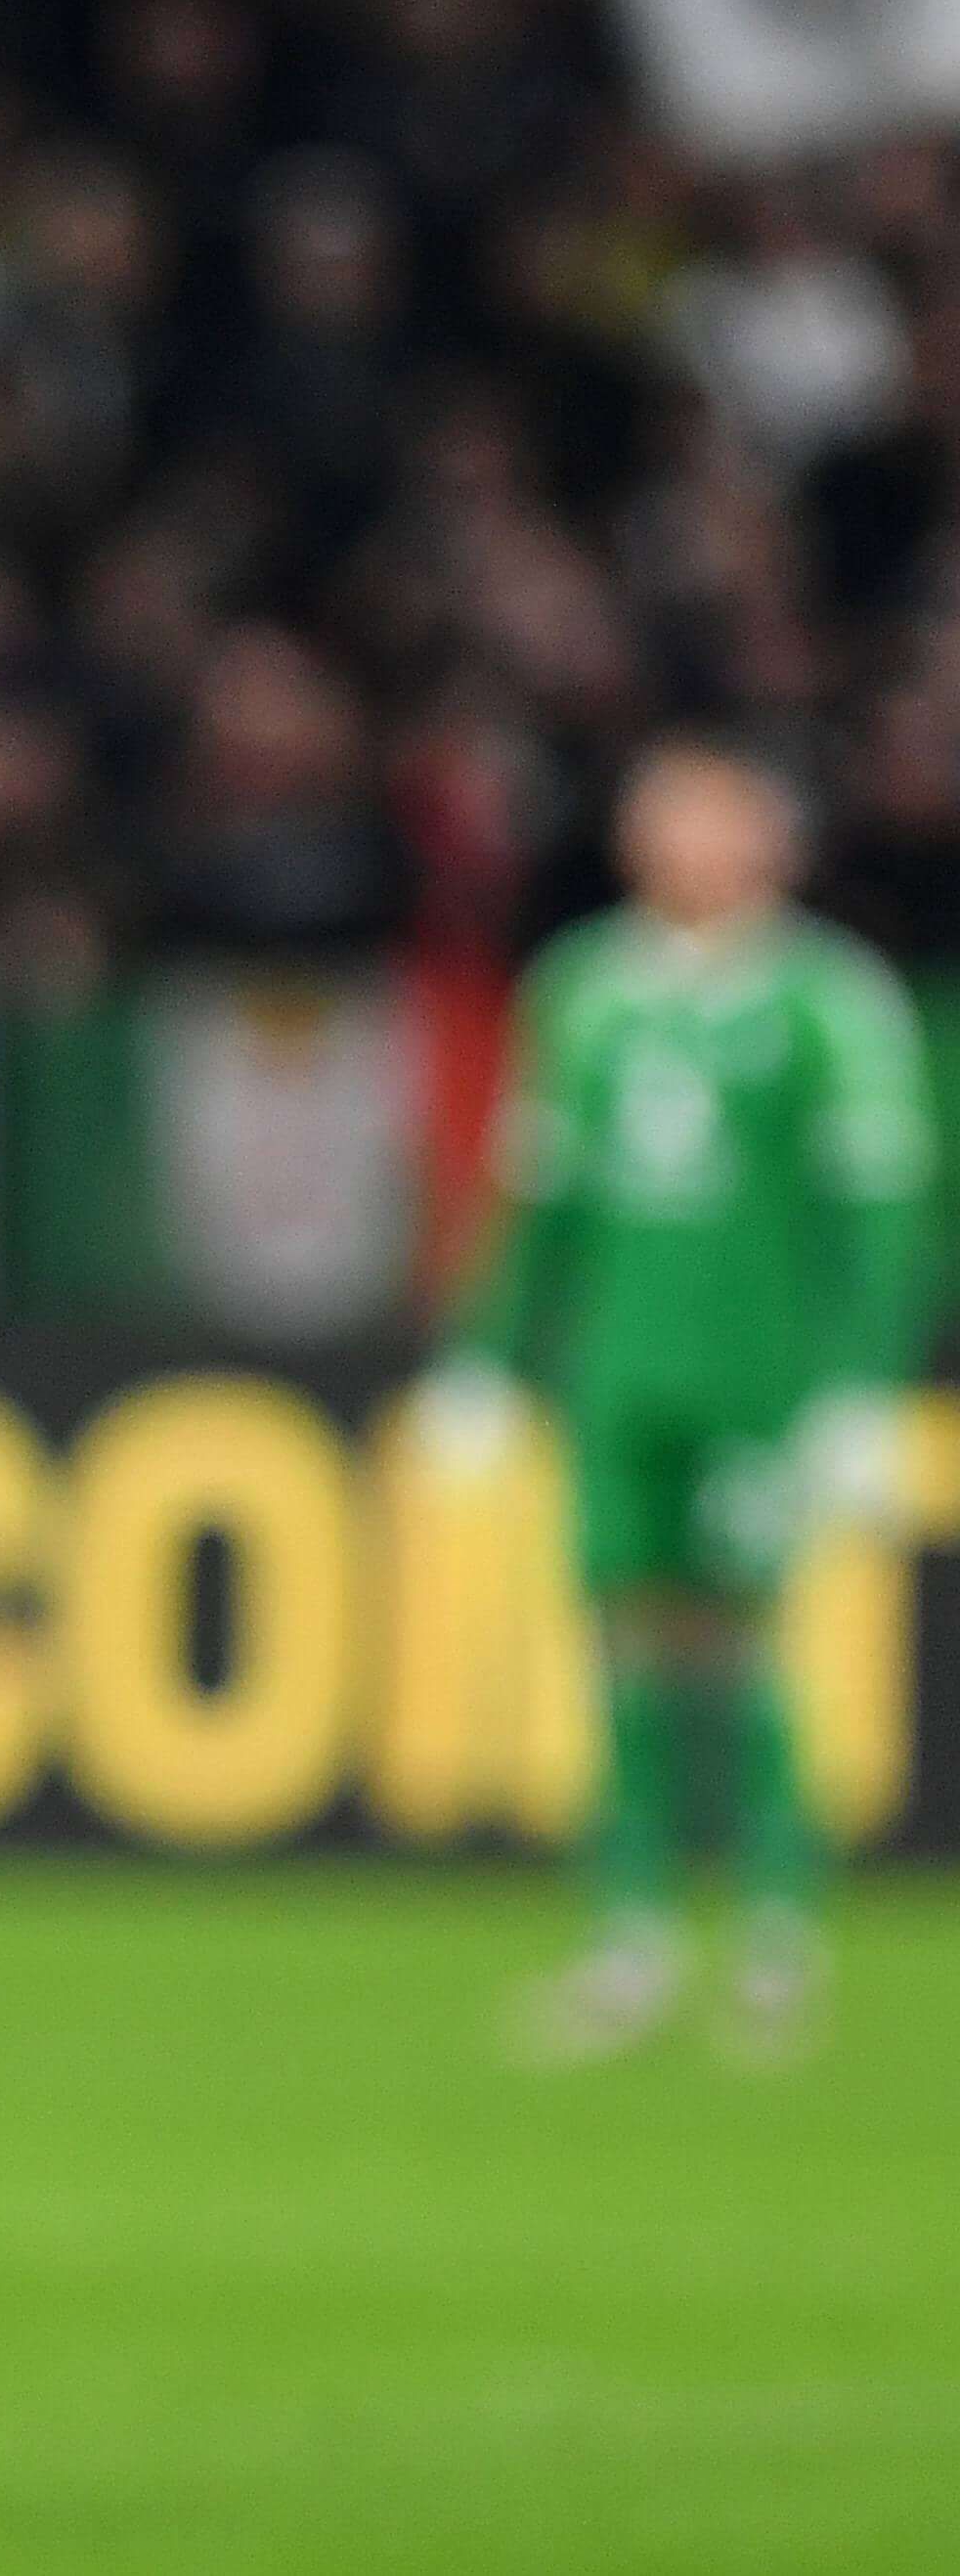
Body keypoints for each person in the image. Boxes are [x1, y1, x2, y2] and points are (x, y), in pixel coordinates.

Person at [426, 735, 935, 2067]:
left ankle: (776, 1937)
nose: (687, 845)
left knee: (749, 1646)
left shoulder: (832, 1000)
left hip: (757, 1377)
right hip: (621, 1373)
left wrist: (864, 1390)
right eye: (666, 819)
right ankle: (633, 1936)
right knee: (622, 1644)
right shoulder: (586, 991)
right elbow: (539, 1197)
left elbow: (883, 1214)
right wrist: (486, 1357)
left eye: (717, 821)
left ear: (776, 842)